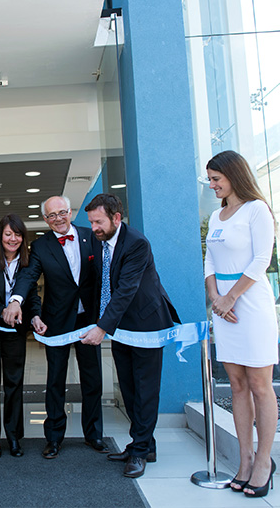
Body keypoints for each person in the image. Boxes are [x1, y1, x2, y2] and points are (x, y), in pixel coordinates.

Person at [81, 193, 179, 479]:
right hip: (121, 326)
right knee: (129, 388)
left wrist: (101, 327)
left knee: (145, 390)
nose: (94, 227)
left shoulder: (137, 243)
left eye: (98, 221)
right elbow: (101, 285)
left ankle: (139, 453)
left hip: (146, 325)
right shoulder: (101, 244)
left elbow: (125, 289)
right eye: (91, 222)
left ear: (116, 218)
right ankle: (144, 444)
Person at [5, 195, 107, 459]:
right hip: (57, 322)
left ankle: (94, 434)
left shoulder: (91, 236)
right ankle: (54, 438)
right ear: (45, 219)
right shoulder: (40, 246)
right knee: (55, 381)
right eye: (51, 215)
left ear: (70, 212)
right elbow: (28, 276)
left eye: (62, 213)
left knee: (93, 379)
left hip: (88, 322)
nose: (58, 219)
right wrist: (16, 300)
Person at [204, 150, 278, 497]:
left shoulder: (256, 209)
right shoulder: (217, 216)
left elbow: (262, 259)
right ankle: (245, 460)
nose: (212, 185)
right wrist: (216, 298)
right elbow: (209, 260)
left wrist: (231, 297)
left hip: (249, 302)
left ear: (234, 176)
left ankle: (264, 460)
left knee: (260, 385)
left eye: (216, 179)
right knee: (235, 385)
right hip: (223, 306)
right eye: (210, 179)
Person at [0, 214, 46, 458]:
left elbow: (32, 294)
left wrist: (35, 316)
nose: (13, 238)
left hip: (16, 330)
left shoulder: (28, 262)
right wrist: (4, 312)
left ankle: (14, 436)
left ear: (23, 237)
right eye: (8, 234)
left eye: (17, 234)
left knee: (15, 383)